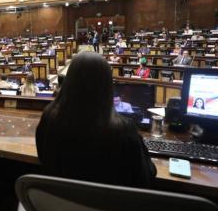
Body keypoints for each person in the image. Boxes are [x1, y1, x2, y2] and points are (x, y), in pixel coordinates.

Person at [35, 52, 155, 187]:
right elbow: (146, 176)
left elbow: (43, 159)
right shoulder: (123, 130)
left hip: (61, 203)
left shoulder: (49, 116)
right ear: (107, 86)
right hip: (107, 207)